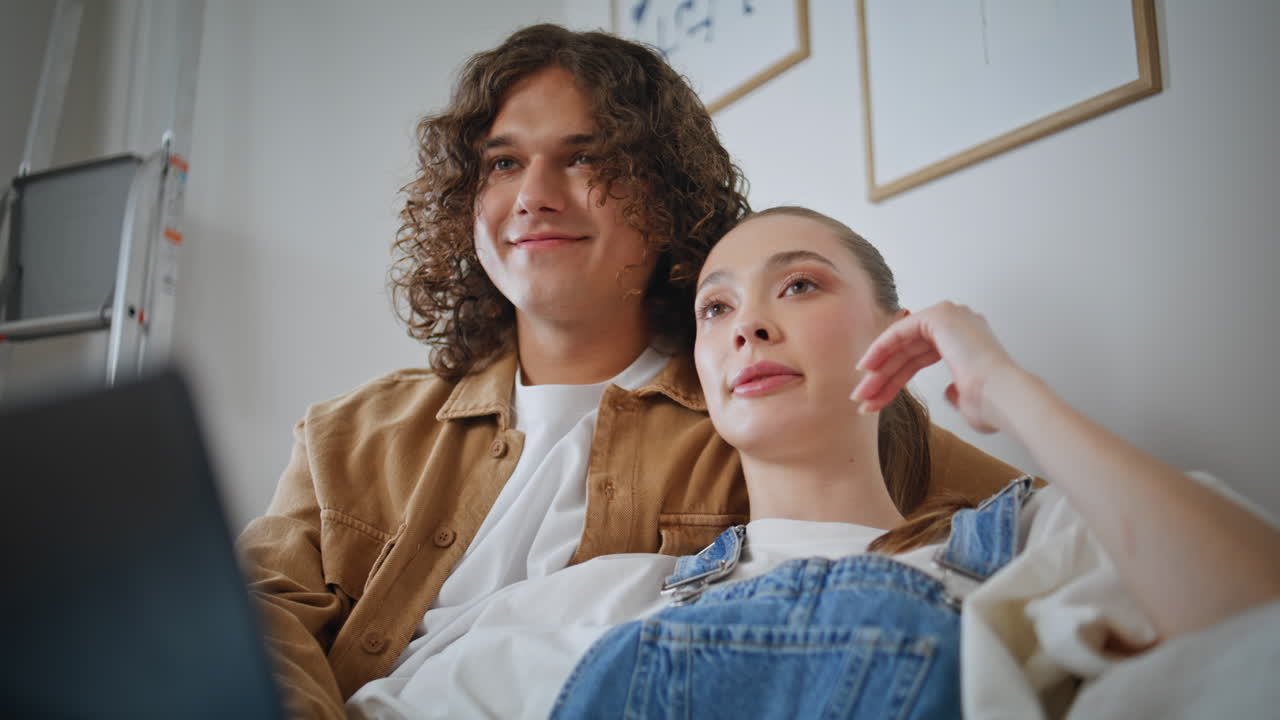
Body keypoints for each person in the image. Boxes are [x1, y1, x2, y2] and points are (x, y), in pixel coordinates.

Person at [237, 26, 1022, 719]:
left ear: (666, 194)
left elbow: (1030, 530)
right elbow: (254, 634)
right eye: (503, 163)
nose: (533, 196)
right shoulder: (347, 436)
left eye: (584, 158)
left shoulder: (771, 408)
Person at [346, 207, 1279, 718]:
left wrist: (1004, 384)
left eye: (798, 284)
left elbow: (1257, 616)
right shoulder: (607, 597)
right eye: (716, 308)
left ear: (894, 330)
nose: (748, 324)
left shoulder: (1033, 544)